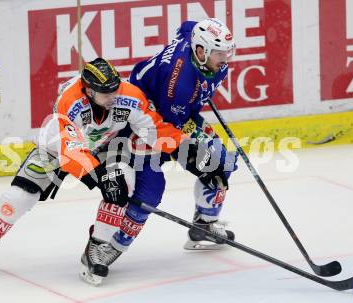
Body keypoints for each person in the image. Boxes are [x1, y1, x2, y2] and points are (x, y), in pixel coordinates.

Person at [0, 58, 190, 278]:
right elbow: (71, 150)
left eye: (115, 89)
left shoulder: (129, 96)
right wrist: (100, 177)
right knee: (18, 196)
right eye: (107, 93)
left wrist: (187, 148)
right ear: (89, 90)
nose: (114, 96)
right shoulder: (70, 101)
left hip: (104, 148)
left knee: (123, 181)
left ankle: (96, 248)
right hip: (56, 149)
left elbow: (154, 129)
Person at [80, 18, 239, 285]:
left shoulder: (199, 47)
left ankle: (203, 226)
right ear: (200, 51)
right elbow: (174, 126)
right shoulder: (180, 84)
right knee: (149, 192)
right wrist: (202, 151)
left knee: (222, 163)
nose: (225, 60)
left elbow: (186, 26)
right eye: (220, 54)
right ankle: (108, 246)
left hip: (173, 114)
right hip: (147, 122)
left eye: (227, 53)